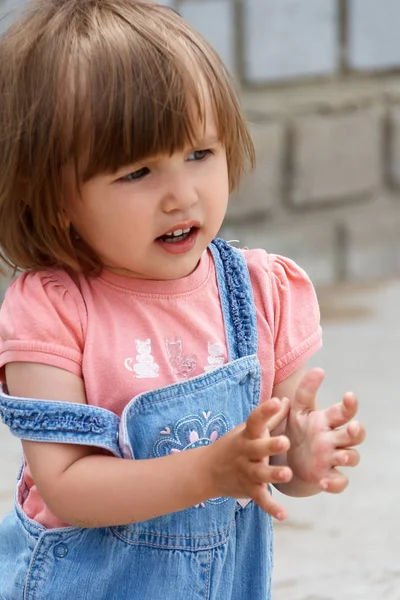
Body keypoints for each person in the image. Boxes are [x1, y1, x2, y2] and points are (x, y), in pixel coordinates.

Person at [0, 1, 365, 598]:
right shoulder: (53, 309)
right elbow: (66, 486)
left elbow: (276, 471)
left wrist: (304, 455)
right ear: (53, 197)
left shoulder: (262, 292)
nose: (181, 195)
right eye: (137, 172)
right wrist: (208, 470)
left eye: (200, 154)